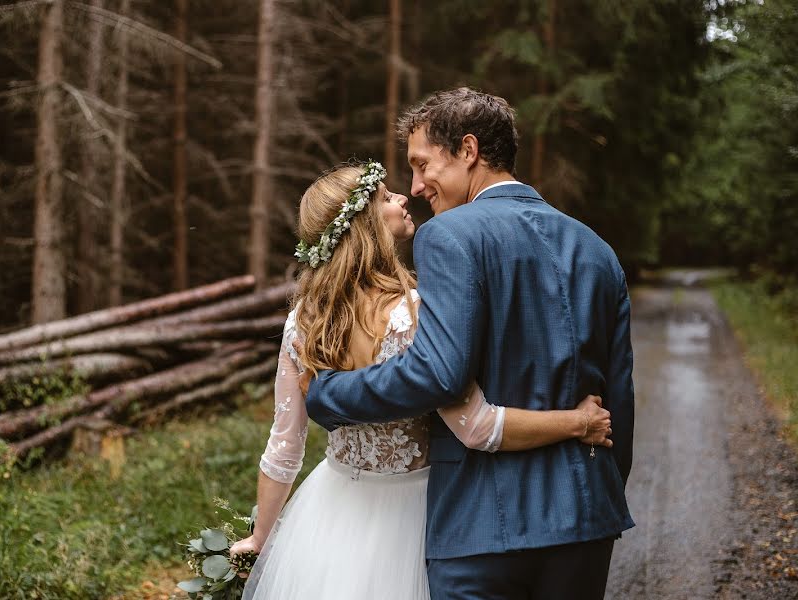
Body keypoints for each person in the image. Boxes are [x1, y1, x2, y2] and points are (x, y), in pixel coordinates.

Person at [304, 88, 635, 600]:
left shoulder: (449, 235)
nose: (414, 188)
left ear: (468, 150)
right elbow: (620, 399)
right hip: (586, 515)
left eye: (421, 165)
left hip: (482, 525)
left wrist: (331, 396)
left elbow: (438, 373)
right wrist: (602, 493)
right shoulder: (598, 250)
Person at [228, 160, 614, 600]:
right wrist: (578, 423)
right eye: (386, 197)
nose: (403, 199)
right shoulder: (413, 314)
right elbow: (479, 427)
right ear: (366, 224)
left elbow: (284, 445)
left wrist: (261, 539)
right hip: (415, 517)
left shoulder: (303, 321)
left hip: (328, 515)